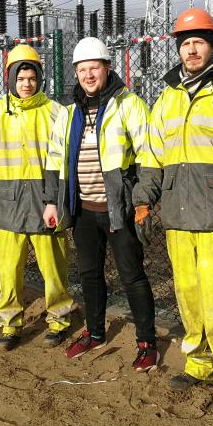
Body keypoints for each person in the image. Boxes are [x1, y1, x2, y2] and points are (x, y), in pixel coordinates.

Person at [132, 8, 213, 414]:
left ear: (211, 46)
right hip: (178, 216)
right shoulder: (167, 98)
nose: (192, 50)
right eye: (186, 43)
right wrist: (143, 202)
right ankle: (199, 364)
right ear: (178, 49)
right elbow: (152, 155)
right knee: (188, 296)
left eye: (199, 43)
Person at [43, 37, 158, 372]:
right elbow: (54, 158)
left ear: (108, 68)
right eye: (82, 69)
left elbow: (148, 154)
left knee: (132, 275)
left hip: (118, 209)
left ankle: (147, 342)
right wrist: (52, 202)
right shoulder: (68, 111)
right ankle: (95, 333)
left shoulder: (129, 104)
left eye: (94, 68)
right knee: (89, 275)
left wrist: (142, 201)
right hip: (82, 210)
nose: (88, 75)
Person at [0, 44, 73, 351]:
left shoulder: (56, 112)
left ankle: (58, 320)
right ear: (10, 79)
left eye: (32, 78)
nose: (26, 84)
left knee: (53, 268)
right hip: (8, 204)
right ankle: (10, 324)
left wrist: (56, 200)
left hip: (45, 203)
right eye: (20, 78)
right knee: (9, 269)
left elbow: (62, 162)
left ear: (40, 78)